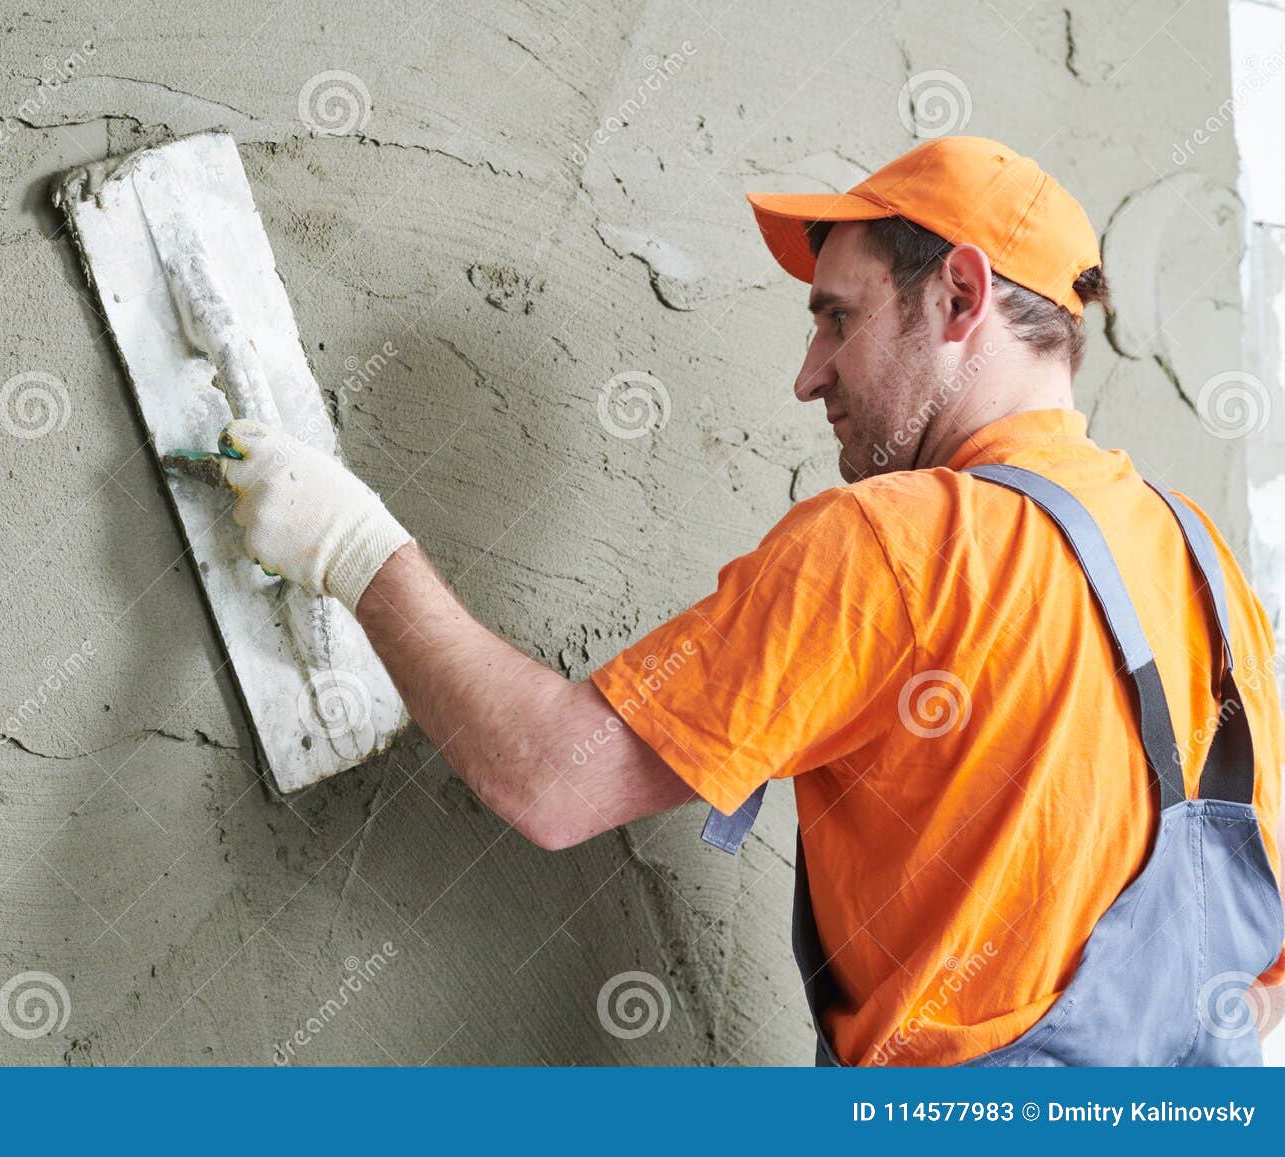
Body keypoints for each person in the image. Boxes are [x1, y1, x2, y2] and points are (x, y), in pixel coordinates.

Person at [199, 137, 1285, 1066]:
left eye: (837, 320)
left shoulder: (896, 539)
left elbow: (553, 781)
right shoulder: (1203, 562)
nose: (808, 375)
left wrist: (354, 549)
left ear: (958, 294)